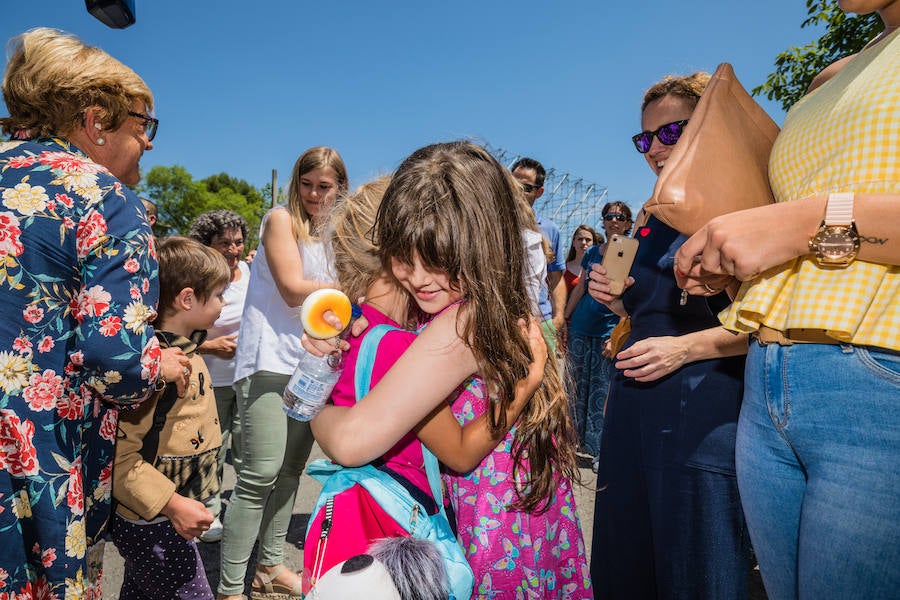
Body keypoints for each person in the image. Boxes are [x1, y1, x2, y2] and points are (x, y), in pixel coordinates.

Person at [675, 4, 900, 597]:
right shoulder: (833, 75)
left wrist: (802, 226)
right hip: (769, 376)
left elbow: (805, 221)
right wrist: (732, 259)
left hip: (881, 377)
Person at [311, 141, 592, 599]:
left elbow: (349, 442)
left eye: (436, 260)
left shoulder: (464, 320)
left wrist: (310, 396)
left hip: (495, 522)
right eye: (404, 257)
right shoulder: (469, 301)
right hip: (511, 511)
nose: (420, 277)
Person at [0, 28, 189, 597]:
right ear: (95, 122)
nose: (149, 143)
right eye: (142, 125)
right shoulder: (106, 199)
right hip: (34, 458)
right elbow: (118, 362)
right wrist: (162, 365)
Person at [587, 73, 751, 599]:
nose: (654, 148)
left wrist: (686, 348)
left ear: (708, 129)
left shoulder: (746, 203)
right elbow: (633, 301)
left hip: (706, 400)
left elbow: (774, 321)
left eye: (670, 131)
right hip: (635, 401)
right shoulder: (649, 215)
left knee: (697, 558)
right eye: (644, 139)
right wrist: (612, 299)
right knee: (626, 550)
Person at [218, 146, 347, 600]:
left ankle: (269, 568)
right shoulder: (280, 219)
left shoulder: (339, 233)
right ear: (297, 182)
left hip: (312, 365)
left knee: (291, 471)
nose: (315, 194)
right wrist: (355, 288)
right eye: (308, 184)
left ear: (339, 188)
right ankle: (231, 588)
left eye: (325, 186)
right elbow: (294, 290)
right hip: (270, 360)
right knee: (258, 475)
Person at [111, 236, 230, 600]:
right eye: (219, 295)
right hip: (154, 521)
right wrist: (173, 505)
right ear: (188, 299)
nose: (224, 304)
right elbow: (121, 458)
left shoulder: (186, 350)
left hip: (161, 518)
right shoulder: (157, 368)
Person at [188, 209, 251, 543]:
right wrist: (211, 346)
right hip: (210, 381)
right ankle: (208, 511)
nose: (233, 249)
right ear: (207, 243)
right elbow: (176, 332)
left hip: (247, 379)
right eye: (224, 242)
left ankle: (243, 511)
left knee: (246, 449)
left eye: (238, 242)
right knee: (212, 447)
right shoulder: (197, 276)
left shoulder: (251, 274)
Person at [564, 205, 631, 462]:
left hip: (607, 329)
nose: (614, 221)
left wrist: (616, 333)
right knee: (574, 388)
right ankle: (571, 446)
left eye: (620, 217)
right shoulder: (591, 251)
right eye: (609, 217)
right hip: (581, 325)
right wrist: (565, 319)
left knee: (602, 392)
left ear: (627, 223)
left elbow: (634, 296)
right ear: (603, 222)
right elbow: (581, 287)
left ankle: (599, 451)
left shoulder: (633, 253)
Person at [511, 157, 567, 353]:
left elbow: (556, 277)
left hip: (541, 322)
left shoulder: (550, 230)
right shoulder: (493, 225)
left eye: (525, 187)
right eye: (513, 183)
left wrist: (558, 318)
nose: (517, 191)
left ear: (539, 192)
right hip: (504, 320)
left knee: (542, 381)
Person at [564, 224, 601, 297]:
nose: (584, 243)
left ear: (594, 244)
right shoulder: (563, 269)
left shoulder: (600, 269)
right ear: (573, 243)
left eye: (588, 240)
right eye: (580, 239)